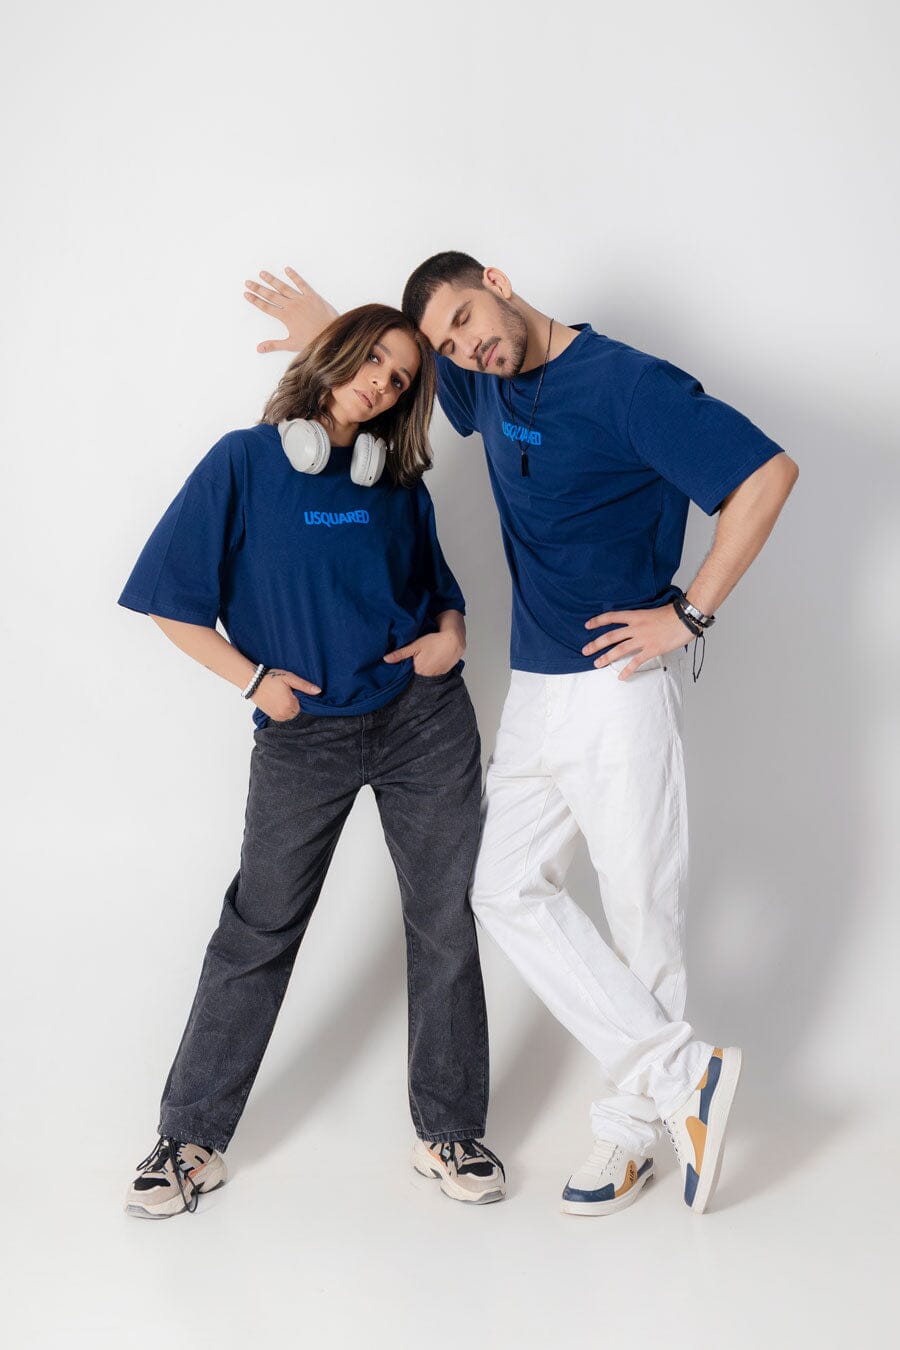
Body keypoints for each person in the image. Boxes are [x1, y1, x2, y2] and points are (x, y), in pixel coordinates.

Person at [244, 260, 799, 1217]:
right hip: (538, 688)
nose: (469, 350)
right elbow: (403, 371)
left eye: (468, 320)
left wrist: (689, 615)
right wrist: (331, 336)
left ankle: (635, 1126)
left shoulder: (628, 384)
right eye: (451, 344)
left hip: (621, 685)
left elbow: (766, 474)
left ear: (498, 282)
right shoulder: (484, 375)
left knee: (640, 910)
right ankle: (681, 1076)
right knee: (500, 888)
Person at [118, 303, 506, 1219]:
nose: (382, 383)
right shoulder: (244, 462)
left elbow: (440, 590)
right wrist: (256, 681)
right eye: (371, 361)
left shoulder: (394, 477)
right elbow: (170, 600)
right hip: (303, 736)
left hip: (422, 721)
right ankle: (190, 1138)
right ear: (333, 354)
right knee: (258, 927)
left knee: (445, 919)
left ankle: (449, 1130)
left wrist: (452, 634)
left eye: (400, 378)